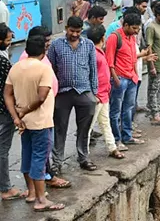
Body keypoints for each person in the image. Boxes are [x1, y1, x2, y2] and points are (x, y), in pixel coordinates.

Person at [4, 29, 64, 213]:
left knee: (27, 155)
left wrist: (16, 116)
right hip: (41, 121)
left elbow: (7, 94)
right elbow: (42, 96)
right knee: (40, 157)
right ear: (43, 52)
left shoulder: (16, 67)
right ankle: (41, 199)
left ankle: (31, 193)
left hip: (23, 123)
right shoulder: (43, 68)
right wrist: (25, 111)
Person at [46, 16, 99, 175]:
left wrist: (94, 93)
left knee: (84, 129)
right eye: (72, 31)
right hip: (63, 92)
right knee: (60, 129)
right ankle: (57, 162)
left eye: (78, 31)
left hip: (84, 91)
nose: (75, 34)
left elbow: (93, 69)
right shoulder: (56, 45)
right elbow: (51, 69)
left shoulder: (88, 45)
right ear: (66, 28)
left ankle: (83, 157)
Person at [104, 10, 145, 150]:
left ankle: (127, 136)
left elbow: (133, 57)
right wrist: (116, 80)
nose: (136, 31)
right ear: (126, 25)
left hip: (131, 77)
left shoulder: (132, 37)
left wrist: (135, 75)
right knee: (115, 111)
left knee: (128, 109)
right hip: (119, 78)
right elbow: (109, 61)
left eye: (138, 28)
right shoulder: (114, 37)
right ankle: (116, 140)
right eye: (134, 28)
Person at [83, 26, 122, 159]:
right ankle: (84, 154)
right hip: (97, 95)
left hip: (103, 93)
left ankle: (112, 147)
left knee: (104, 122)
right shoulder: (94, 53)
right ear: (103, 37)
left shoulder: (97, 52)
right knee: (88, 126)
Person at [0, 23, 20, 200]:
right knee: (3, 150)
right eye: (7, 40)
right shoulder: (4, 62)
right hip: (4, 111)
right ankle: (5, 188)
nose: (9, 43)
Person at [144, 2, 160, 126]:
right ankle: (155, 115)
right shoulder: (151, 27)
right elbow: (149, 47)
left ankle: (156, 111)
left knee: (158, 87)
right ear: (158, 15)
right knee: (154, 89)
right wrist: (152, 66)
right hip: (155, 63)